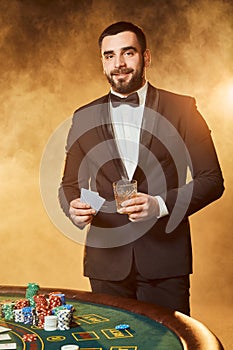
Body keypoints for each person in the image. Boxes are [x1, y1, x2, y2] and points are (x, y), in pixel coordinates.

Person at [59, 21, 224, 315]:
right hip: (105, 263)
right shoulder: (83, 117)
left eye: (128, 53)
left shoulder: (183, 108)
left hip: (166, 261)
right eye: (109, 56)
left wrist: (160, 205)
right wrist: (73, 207)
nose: (119, 64)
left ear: (146, 57)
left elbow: (212, 180)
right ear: (102, 61)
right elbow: (68, 185)